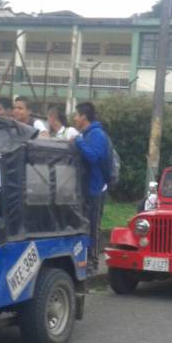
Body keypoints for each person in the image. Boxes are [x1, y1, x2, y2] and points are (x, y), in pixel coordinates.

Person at [72, 102, 110, 274]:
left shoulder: (97, 134)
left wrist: (79, 142)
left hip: (95, 188)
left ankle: (93, 262)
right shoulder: (86, 134)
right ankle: (85, 259)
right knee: (85, 225)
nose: (75, 119)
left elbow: (94, 157)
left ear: (84, 117)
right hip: (85, 188)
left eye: (76, 115)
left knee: (93, 226)